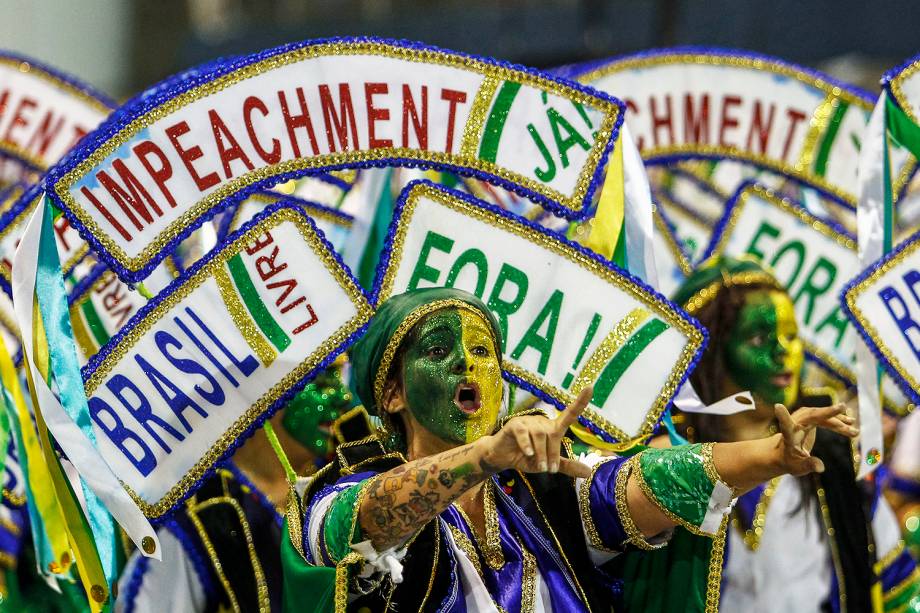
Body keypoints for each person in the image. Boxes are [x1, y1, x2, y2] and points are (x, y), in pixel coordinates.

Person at [284, 286, 857, 612]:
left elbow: (649, 480)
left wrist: (770, 456)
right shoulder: (337, 490)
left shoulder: (537, 491)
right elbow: (358, 526)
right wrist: (484, 456)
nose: (468, 364)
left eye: (484, 352)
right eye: (439, 351)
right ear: (391, 392)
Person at [671, 256, 920, 613]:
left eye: (791, 335)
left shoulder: (834, 454)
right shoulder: (669, 463)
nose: (784, 351)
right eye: (760, 337)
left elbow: (898, 588)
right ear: (708, 349)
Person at [116, 366, 353, 612]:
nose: (343, 396)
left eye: (340, 376)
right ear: (265, 390)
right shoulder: (202, 517)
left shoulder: (343, 486)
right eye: (321, 378)